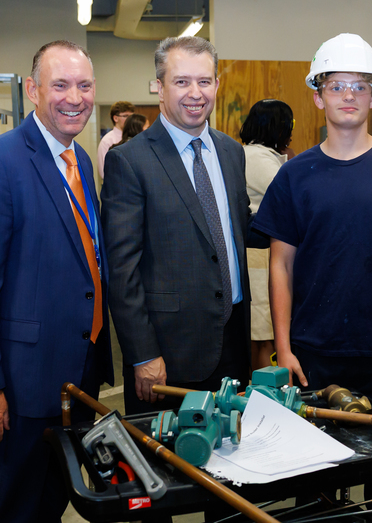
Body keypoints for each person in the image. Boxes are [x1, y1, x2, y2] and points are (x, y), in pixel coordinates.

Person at [253, 33, 372, 522]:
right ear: (317, 96)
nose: (347, 95)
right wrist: (285, 346)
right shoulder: (295, 175)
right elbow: (280, 263)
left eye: (359, 85)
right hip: (315, 356)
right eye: (336, 85)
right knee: (312, 484)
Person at [0, 40, 114, 522]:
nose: (74, 97)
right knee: (12, 510)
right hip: (21, 386)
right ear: (32, 89)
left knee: (50, 503)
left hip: (77, 374)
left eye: (84, 85)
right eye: (60, 84)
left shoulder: (79, 161)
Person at [101, 36, 258, 415]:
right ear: (159, 86)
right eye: (181, 81)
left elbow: (238, 229)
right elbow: (122, 272)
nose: (195, 93)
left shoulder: (231, 152)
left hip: (234, 347)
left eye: (204, 81)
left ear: (217, 85)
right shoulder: (130, 161)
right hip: (168, 359)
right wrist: (142, 355)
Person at [239, 99, 295, 372]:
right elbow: (293, 199)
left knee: (263, 335)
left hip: (263, 255)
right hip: (259, 258)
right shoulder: (259, 158)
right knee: (264, 337)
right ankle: (266, 400)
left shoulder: (256, 155)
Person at [97, 100, 136, 178]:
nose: (130, 120)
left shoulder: (135, 137)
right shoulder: (107, 141)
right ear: (115, 118)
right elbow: (103, 172)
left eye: (132, 116)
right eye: (126, 116)